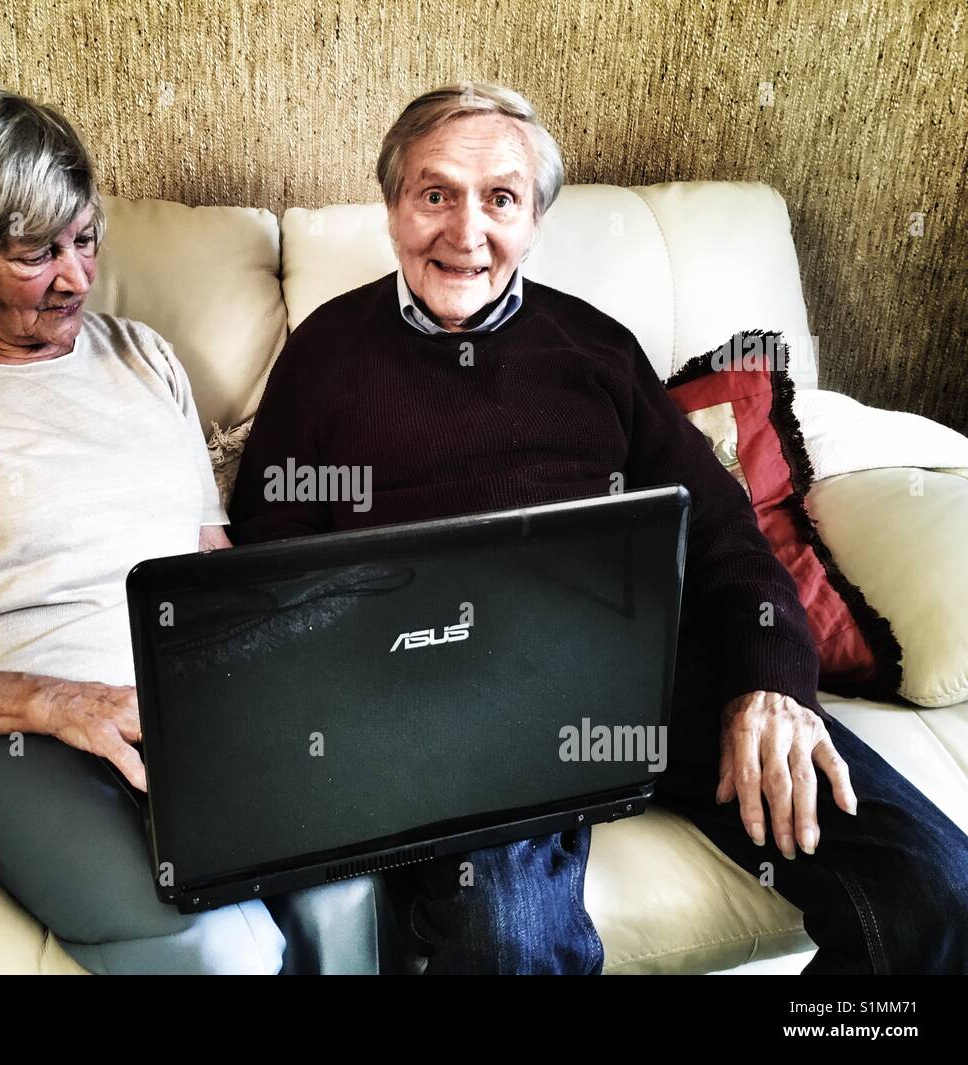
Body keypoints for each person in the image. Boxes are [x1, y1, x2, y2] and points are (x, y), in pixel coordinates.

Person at [228, 82, 968, 974]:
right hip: (456, 698)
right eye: (436, 194)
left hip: (653, 671)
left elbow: (728, 531)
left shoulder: (596, 348)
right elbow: (267, 555)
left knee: (936, 889)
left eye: (500, 198)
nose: (466, 232)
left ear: (534, 218)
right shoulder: (326, 355)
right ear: (393, 209)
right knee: (508, 940)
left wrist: (770, 682)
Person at [0, 83, 375, 975]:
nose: (75, 276)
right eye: (36, 253)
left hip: (178, 702)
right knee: (223, 946)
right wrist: (55, 702)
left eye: (84, 238)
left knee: (344, 889)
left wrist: (283, 677)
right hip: (8, 732)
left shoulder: (144, 356)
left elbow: (209, 563)